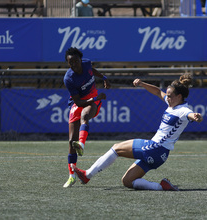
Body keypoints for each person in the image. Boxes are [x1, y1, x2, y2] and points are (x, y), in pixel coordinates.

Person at [72, 73, 203, 191]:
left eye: (170, 96)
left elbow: (190, 114)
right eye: (167, 95)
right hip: (161, 155)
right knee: (127, 181)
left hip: (155, 148)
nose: (167, 98)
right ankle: (161, 186)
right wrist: (142, 84)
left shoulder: (183, 110)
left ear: (179, 97)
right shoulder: (172, 104)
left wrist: (196, 116)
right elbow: (158, 92)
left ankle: (87, 175)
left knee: (116, 148)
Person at [63, 47, 110, 188]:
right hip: (81, 102)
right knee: (71, 141)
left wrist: (103, 77)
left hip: (93, 101)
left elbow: (92, 71)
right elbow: (78, 102)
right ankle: (72, 176)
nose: (74, 65)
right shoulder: (68, 78)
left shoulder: (87, 63)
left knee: (85, 115)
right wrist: (96, 97)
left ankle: (81, 144)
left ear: (80, 59)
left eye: (76, 61)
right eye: (70, 63)